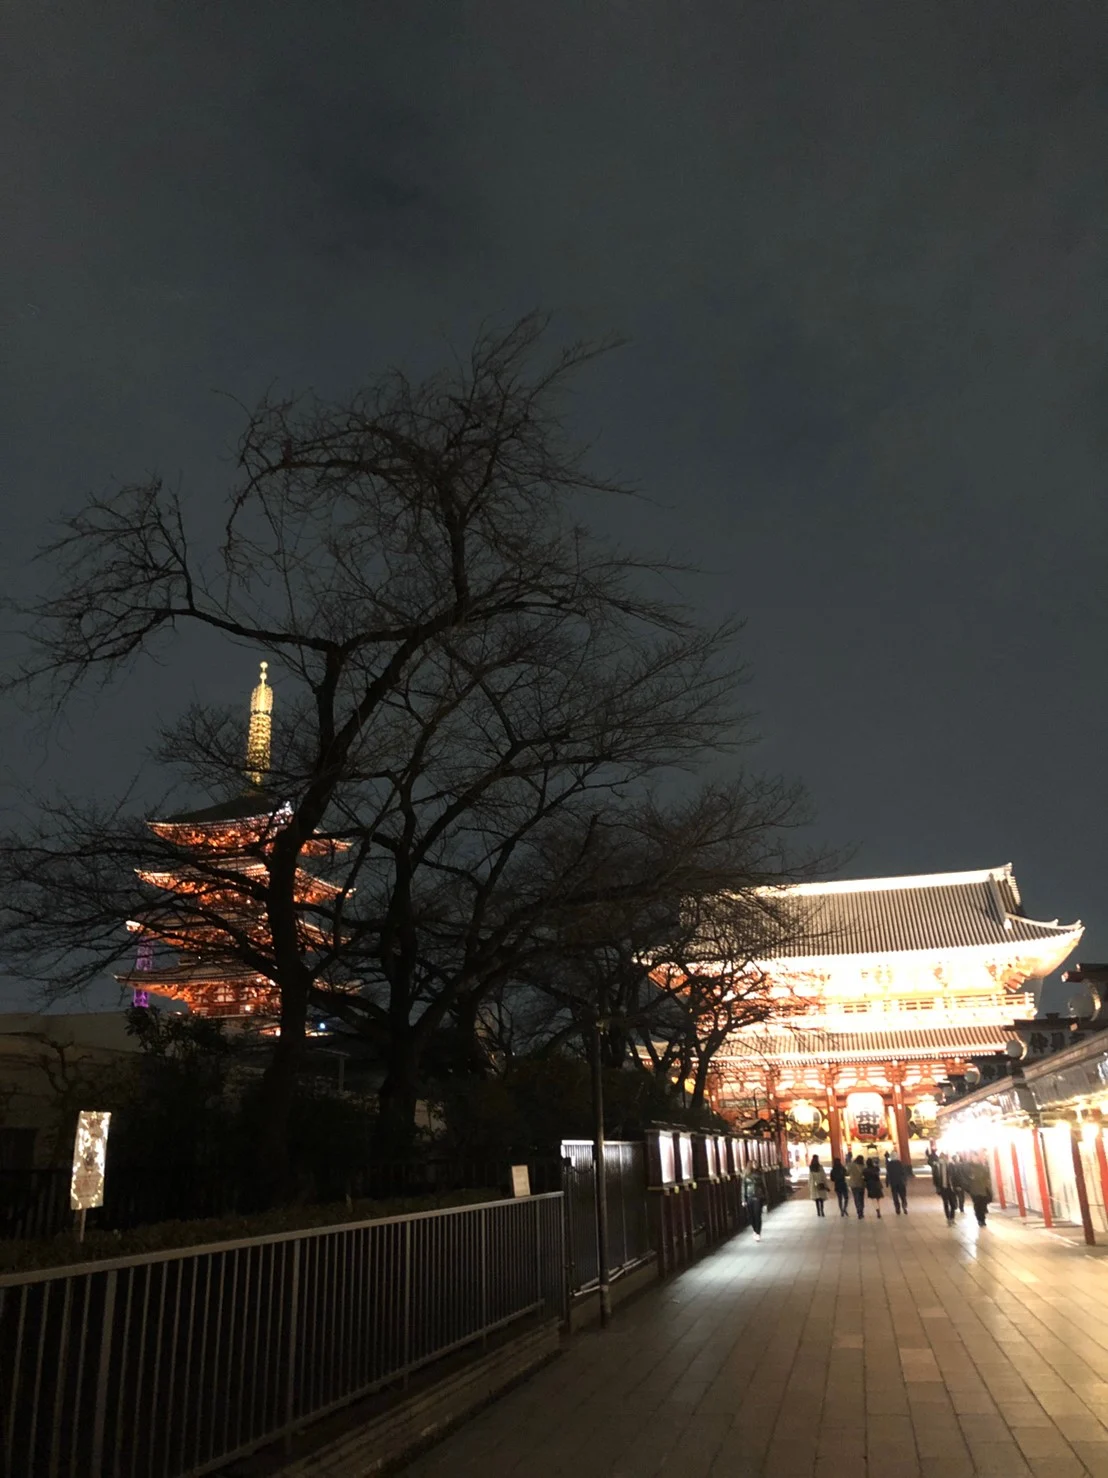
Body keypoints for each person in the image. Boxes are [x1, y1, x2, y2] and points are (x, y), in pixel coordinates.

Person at [962, 1154, 992, 1226]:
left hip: (982, 1188)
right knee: (977, 1205)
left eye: (976, 1157)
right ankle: (979, 1219)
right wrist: (968, 1187)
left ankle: (983, 1219)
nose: (975, 1159)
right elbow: (965, 1177)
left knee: (983, 1204)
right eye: (974, 1158)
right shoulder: (968, 1167)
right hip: (974, 1189)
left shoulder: (981, 1167)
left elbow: (986, 1176)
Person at [742, 1165, 767, 1240]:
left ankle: (758, 1232)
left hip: (758, 1196)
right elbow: (743, 1188)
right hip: (749, 1197)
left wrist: (765, 1197)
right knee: (751, 1216)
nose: (755, 1166)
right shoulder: (746, 1176)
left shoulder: (760, 1174)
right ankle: (755, 1229)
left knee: (757, 1215)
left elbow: (763, 1186)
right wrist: (743, 1199)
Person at [935, 1153, 959, 1222]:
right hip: (943, 1187)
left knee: (952, 1203)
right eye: (941, 1158)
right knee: (945, 1202)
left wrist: (957, 1185)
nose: (942, 1160)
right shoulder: (937, 1167)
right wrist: (937, 1187)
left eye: (944, 1158)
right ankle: (948, 1217)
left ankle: (952, 1217)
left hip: (950, 1187)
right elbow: (936, 1178)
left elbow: (955, 1176)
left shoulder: (951, 1165)